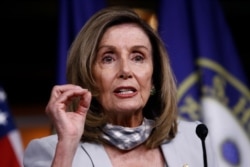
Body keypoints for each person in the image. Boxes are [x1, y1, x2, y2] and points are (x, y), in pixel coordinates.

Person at [23, 7, 217, 167]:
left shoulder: (196, 139)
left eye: (138, 57)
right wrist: (67, 145)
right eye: (108, 58)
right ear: (88, 76)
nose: (125, 70)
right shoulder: (51, 151)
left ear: (155, 77)